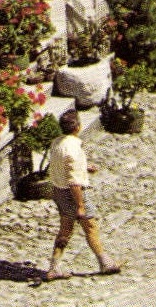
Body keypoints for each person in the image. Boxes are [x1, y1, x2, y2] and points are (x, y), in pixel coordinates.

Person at [43, 108, 120, 281]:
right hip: (73, 194)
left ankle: (54, 266)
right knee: (90, 227)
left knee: (65, 229)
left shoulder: (57, 143)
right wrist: (80, 206)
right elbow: (74, 182)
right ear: (77, 126)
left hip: (58, 191)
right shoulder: (74, 149)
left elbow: (62, 166)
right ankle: (105, 262)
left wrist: (84, 167)